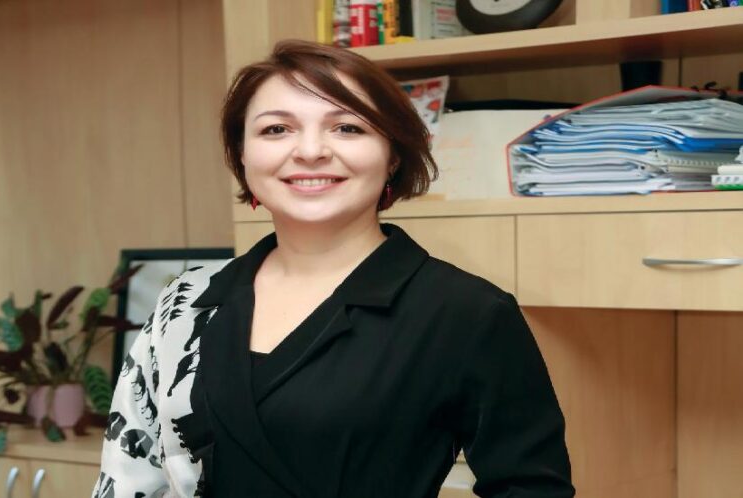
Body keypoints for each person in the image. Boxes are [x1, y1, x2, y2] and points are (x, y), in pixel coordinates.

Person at [92, 40, 575, 498]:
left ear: (392, 156)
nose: (310, 151)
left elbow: (530, 489)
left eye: (347, 128)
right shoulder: (187, 299)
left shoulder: (467, 312)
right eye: (276, 129)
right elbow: (128, 472)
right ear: (242, 154)